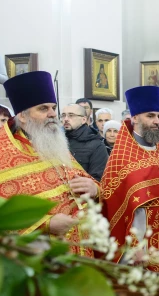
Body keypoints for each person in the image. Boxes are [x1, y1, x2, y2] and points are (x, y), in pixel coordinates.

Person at [101, 86, 159, 277]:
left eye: (158, 116)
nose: (156, 121)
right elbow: (116, 207)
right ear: (134, 117)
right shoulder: (121, 156)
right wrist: (132, 245)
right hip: (138, 244)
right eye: (150, 116)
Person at [1, 71, 99, 255]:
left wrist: (94, 189)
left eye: (53, 107)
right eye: (43, 108)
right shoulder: (3, 153)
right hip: (38, 260)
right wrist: (45, 224)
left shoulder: (53, 144)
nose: (53, 114)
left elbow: (84, 181)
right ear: (22, 116)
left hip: (81, 252)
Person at [61, 104, 109, 181]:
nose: (66, 119)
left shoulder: (96, 145)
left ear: (83, 119)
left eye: (71, 115)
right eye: (63, 115)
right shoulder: (59, 141)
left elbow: (97, 179)